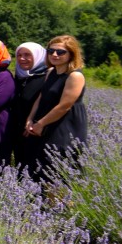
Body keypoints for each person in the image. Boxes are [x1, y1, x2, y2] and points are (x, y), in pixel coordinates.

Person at [24, 35, 87, 181]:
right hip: (46, 123)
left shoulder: (75, 75)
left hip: (65, 127)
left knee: (59, 171)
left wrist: (40, 123)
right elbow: (41, 97)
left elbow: (64, 106)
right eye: (51, 51)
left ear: (71, 54)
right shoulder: (51, 72)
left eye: (60, 52)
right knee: (41, 168)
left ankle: (61, 203)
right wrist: (30, 119)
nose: (54, 55)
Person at [8, 42, 48, 173]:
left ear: (38, 56)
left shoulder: (45, 78)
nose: (22, 59)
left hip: (34, 132)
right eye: (19, 55)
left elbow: (47, 104)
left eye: (27, 55)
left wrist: (34, 123)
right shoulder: (19, 77)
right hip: (16, 132)